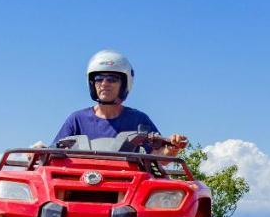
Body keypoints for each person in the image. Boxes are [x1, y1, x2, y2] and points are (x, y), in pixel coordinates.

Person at [50, 50, 188, 155]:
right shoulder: (77, 119)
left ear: (124, 84)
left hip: (127, 187)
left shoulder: (138, 119)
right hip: (79, 185)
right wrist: (40, 151)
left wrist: (171, 147)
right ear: (92, 83)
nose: (104, 84)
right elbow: (54, 152)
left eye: (112, 79)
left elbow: (157, 156)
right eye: (99, 79)